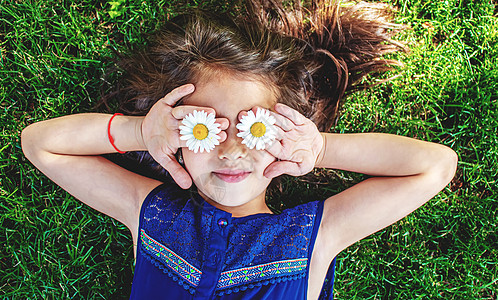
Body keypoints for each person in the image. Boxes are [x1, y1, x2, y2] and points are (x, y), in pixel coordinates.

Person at [20, 1, 458, 299]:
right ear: (176, 139)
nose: (230, 150)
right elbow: (40, 144)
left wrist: (318, 148)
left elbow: (435, 166)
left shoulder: (315, 235)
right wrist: (141, 133)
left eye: (255, 127)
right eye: (204, 128)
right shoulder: (149, 210)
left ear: (284, 133)